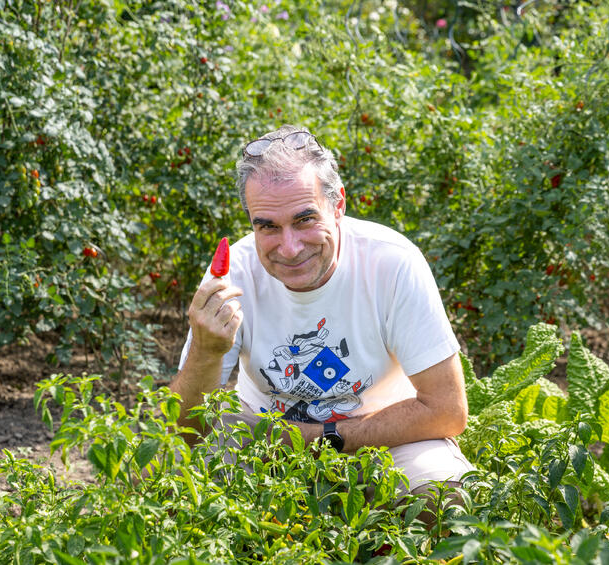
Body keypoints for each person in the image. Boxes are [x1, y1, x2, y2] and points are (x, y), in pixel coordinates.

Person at [169, 124, 472, 506]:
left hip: (385, 435)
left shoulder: (392, 263)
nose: (290, 248)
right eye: (268, 227)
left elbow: (446, 410)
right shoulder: (233, 274)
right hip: (260, 434)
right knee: (161, 475)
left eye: (304, 219)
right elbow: (182, 429)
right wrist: (206, 351)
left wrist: (316, 439)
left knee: (446, 500)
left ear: (338, 204)